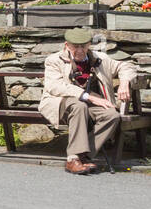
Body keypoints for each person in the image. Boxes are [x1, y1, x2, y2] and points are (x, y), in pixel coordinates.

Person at [40, 28, 136, 175]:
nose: (80, 50)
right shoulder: (54, 60)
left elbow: (126, 66)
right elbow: (55, 86)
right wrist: (88, 96)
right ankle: (73, 160)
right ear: (67, 45)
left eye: (83, 46)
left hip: (90, 104)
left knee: (112, 116)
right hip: (61, 103)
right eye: (75, 46)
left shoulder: (100, 58)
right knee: (79, 106)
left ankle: (83, 156)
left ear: (89, 44)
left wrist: (124, 82)